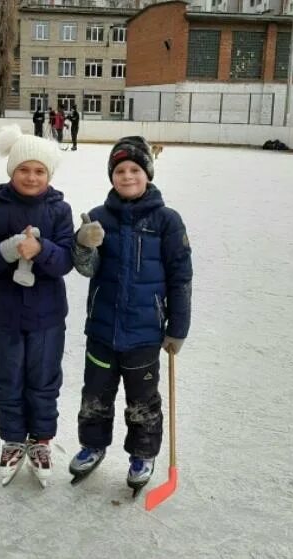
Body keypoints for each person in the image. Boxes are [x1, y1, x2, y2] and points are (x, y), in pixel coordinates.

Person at [69, 136, 192, 494]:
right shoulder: (98, 216)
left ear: (147, 174)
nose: (127, 176)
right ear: (112, 176)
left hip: (145, 333)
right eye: (120, 170)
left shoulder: (168, 221)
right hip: (103, 331)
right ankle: (93, 445)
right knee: (95, 394)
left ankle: (143, 453)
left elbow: (181, 276)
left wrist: (177, 328)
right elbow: (87, 269)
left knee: (142, 400)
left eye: (134, 169)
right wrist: (82, 244)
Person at [0, 124, 74, 488]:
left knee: (44, 379)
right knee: (9, 378)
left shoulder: (59, 209)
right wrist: (8, 250)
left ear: (49, 173)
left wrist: (42, 251)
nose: (31, 176)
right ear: (11, 171)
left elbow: (65, 262)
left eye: (39, 170)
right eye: (24, 169)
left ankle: (41, 441)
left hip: (47, 317)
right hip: (6, 316)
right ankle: (13, 440)